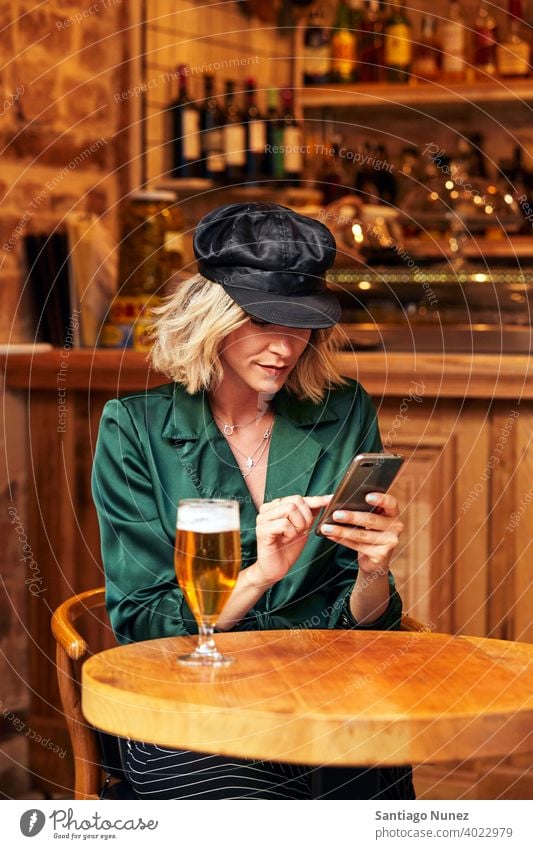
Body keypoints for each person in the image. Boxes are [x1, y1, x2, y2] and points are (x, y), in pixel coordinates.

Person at [92, 202, 414, 800]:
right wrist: (259, 577)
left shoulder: (343, 412)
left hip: (322, 690)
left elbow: (366, 625)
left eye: (302, 324)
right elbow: (139, 624)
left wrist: (374, 571)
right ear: (212, 319)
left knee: (376, 781)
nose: (285, 348)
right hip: (185, 699)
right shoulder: (133, 429)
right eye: (266, 322)